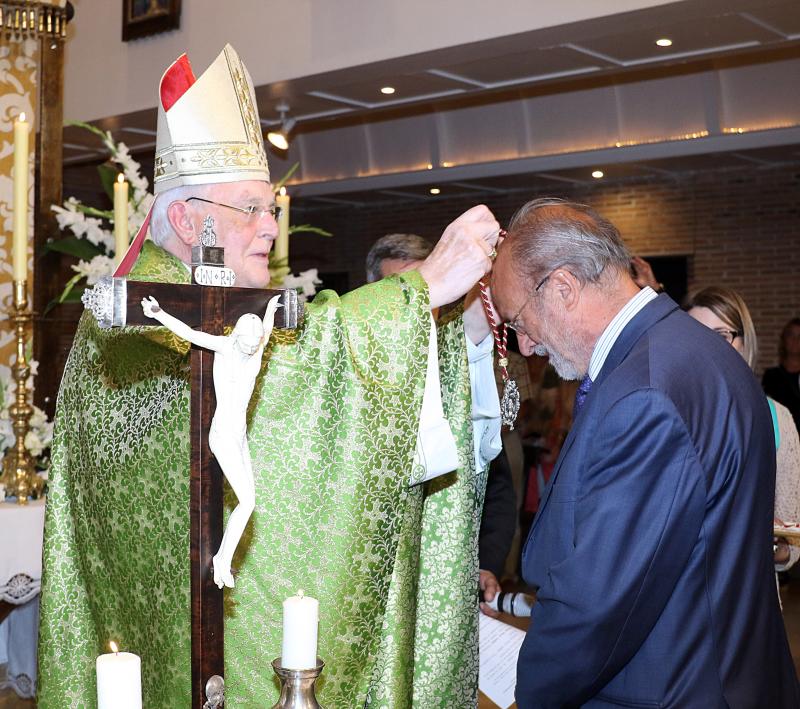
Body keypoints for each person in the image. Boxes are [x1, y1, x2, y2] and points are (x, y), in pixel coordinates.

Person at [38, 45, 500, 708]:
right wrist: (414, 292)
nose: (271, 226)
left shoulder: (193, 298)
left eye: (273, 206)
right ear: (186, 218)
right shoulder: (137, 312)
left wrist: (440, 318)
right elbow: (281, 377)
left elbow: (283, 354)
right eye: (251, 208)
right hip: (162, 630)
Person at [490, 197, 799, 708]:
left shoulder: (646, 391)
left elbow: (600, 605)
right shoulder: (693, 351)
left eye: (519, 322)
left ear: (563, 288)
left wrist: (532, 696)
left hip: (670, 688)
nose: (525, 346)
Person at [365, 233, 512, 618]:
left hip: (446, 583)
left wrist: (487, 562)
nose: (421, 306)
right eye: (405, 293)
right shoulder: (357, 375)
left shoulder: (456, 367)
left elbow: (495, 487)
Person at [140, 294, 283, 588]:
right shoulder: (225, 346)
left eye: (254, 343)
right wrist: (158, 313)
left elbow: (266, 335)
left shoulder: (255, 349)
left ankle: (222, 559)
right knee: (247, 501)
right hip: (223, 436)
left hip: (240, 433)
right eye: (247, 342)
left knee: (248, 502)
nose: (251, 347)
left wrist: (269, 310)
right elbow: (190, 334)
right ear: (237, 335)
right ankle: (222, 559)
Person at [685, 286, 800, 571]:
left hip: (748, 595)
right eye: (695, 334)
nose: (707, 347)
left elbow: (790, 546)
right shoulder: (665, 412)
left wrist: (772, 545)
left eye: (722, 335)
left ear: (745, 343)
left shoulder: (776, 418)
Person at [764, 317, 800, 435]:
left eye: (799, 335)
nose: (796, 340)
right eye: (791, 335)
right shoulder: (772, 376)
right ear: (784, 340)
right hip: (782, 436)